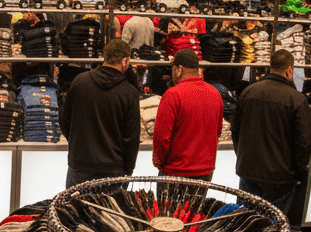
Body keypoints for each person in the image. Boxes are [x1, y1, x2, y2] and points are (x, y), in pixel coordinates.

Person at [231, 49, 311, 214]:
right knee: (273, 223)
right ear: (289, 70)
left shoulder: (248, 92)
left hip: (249, 172)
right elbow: (303, 142)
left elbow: (236, 130)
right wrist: (300, 173)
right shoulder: (296, 99)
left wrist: (242, 158)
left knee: (245, 221)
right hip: (280, 177)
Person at [60, 39, 141, 187]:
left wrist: (77, 147)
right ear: (125, 61)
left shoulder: (80, 81)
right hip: (113, 169)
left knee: (75, 203)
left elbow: (65, 121)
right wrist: (128, 170)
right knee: (110, 204)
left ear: (105, 57)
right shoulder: (130, 93)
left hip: (80, 165)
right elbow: (131, 138)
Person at [152, 49, 224, 180]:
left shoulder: (172, 95)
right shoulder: (215, 93)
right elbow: (217, 132)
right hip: (205, 171)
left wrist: (159, 162)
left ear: (178, 69)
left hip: (175, 171)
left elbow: (162, 137)